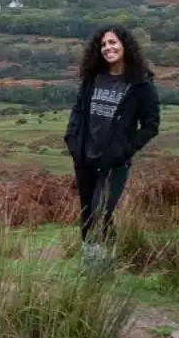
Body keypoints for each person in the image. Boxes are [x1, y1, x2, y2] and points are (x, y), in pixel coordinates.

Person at [64, 25, 160, 268]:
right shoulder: (92, 78)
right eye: (104, 44)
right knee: (88, 213)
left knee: (100, 211)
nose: (108, 48)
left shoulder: (140, 85)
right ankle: (93, 268)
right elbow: (78, 110)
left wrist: (125, 150)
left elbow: (151, 125)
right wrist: (72, 139)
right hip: (85, 158)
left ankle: (104, 266)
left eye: (113, 43)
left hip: (114, 162)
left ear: (126, 46)